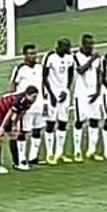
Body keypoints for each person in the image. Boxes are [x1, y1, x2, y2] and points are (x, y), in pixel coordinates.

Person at [0, 86, 40, 174]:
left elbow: (20, 113)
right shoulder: (20, 100)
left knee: (13, 135)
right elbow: (10, 113)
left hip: (5, 111)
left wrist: (16, 125)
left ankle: (16, 163)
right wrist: (2, 127)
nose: (35, 99)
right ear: (27, 95)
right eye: (33, 97)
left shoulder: (28, 102)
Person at [10, 44, 47, 167]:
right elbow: (14, 85)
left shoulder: (40, 67)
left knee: (37, 130)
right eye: (30, 54)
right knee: (23, 132)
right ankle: (21, 158)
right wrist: (15, 100)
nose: (33, 56)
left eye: (35, 53)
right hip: (26, 108)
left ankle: (33, 157)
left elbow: (44, 83)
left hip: (39, 104)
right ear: (25, 55)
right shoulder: (20, 69)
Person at [71, 34, 104, 162]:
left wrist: (98, 90)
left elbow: (100, 73)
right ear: (83, 44)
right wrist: (92, 59)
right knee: (80, 122)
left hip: (94, 93)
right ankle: (77, 151)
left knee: (94, 121)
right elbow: (80, 70)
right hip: (81, 94)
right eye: (88, 44)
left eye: (92, 44)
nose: (91, 46)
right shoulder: (76, 56)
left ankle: (92, 150)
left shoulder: (97, 58)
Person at [42, 37, 75, 165]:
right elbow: (44, 77)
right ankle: (50, 153)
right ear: (59, 46)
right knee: (50, 123)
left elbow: (70, 74)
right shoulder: (50, 56)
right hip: (51, 94)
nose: (68, 49)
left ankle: (59, 153)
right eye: (66, 47)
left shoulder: (69, 57)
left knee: (62, 122)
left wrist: (66, 90)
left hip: (63, 95)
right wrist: (51, 95)